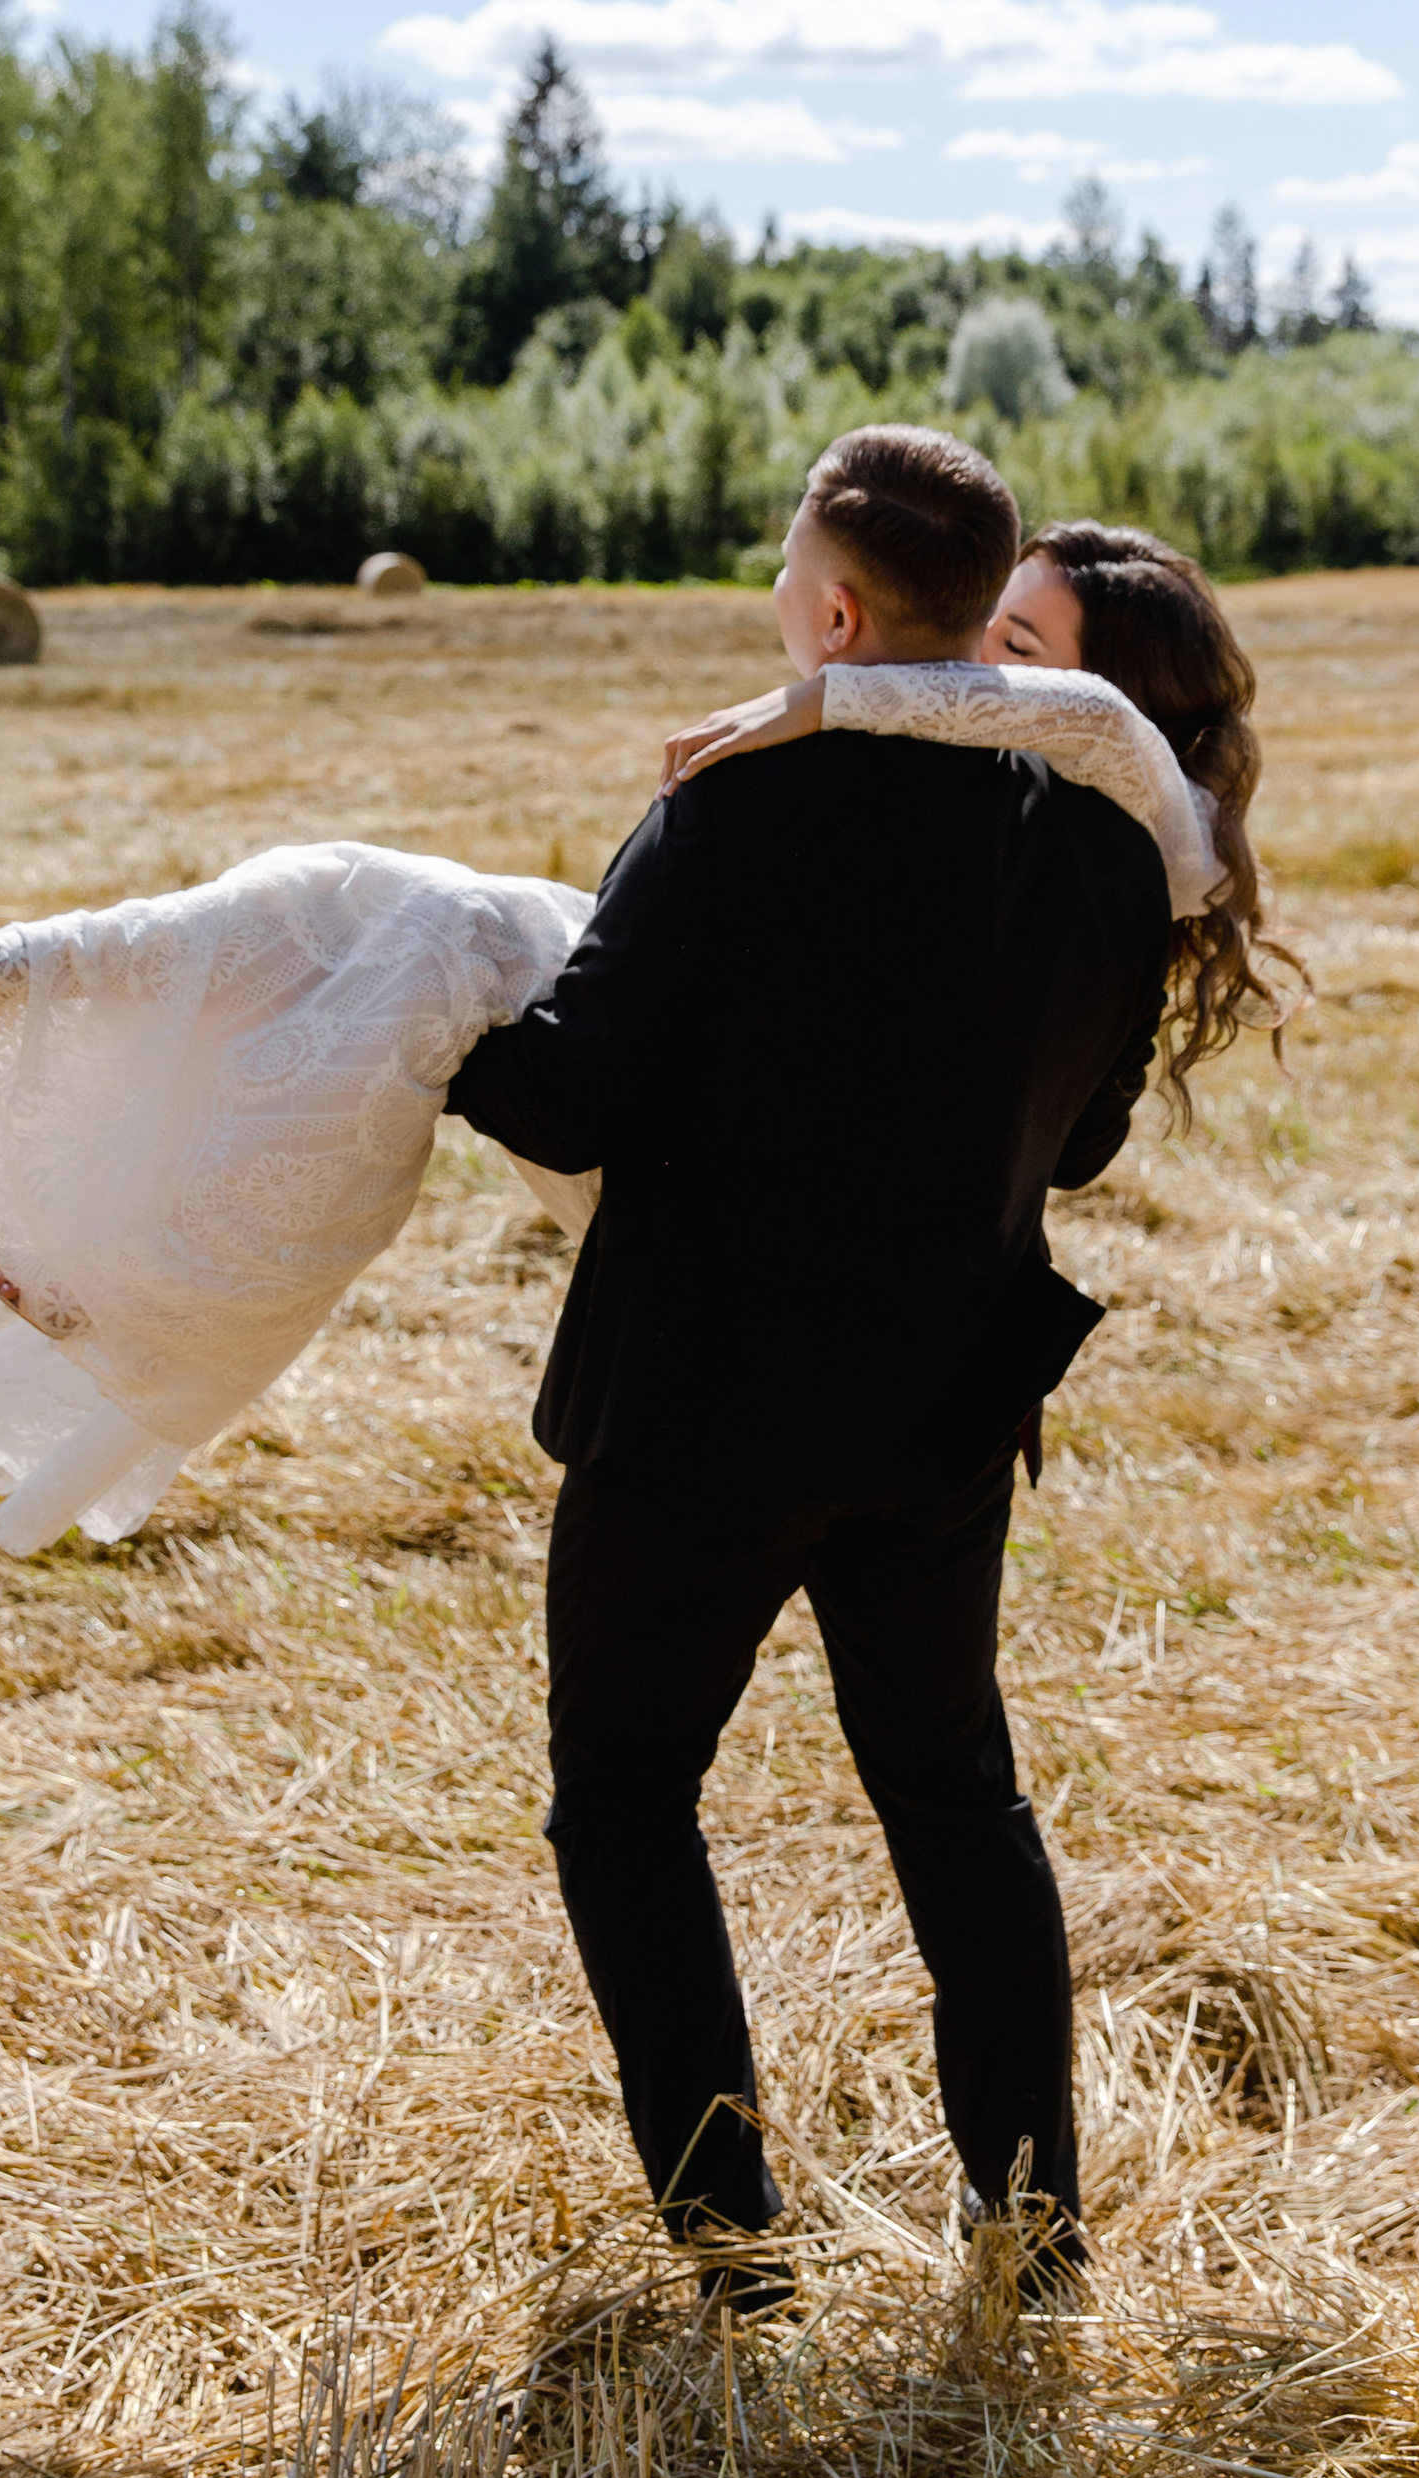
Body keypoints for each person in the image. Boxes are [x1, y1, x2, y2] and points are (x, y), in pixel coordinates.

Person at [0, 510, 1217, 1562]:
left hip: (741, 1269)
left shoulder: (1099, 852)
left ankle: (67, 1183)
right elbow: (1081, 1144)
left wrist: (825, 695)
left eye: (1012, 654)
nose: (976, 671)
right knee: (355, 904)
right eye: (981, 635)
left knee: (410, 947)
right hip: (897, 1348)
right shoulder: (1023, 846)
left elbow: (1084, 745)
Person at [443, 427, 1176, 2310]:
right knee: (955, 1798)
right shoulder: (1101, 850)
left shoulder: (734, 813)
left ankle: (731, 2244)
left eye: (788, 573)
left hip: (698, 1413)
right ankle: (1033, 2229)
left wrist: (433, 996)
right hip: (942, 1414)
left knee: (625, 1795)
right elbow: (1083, 1142)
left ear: (839, 612)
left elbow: (565, 1094)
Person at [664, 513, 1297, 1129]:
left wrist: (823, 696)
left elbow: (1101, 719)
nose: (972, 645)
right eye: (984, 614)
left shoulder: (1157, 834)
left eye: (1016, 645)